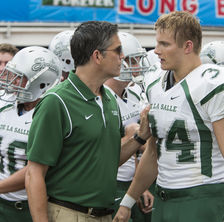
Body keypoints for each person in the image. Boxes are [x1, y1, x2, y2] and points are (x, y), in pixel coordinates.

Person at [113, 11, 224, 222]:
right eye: (157, 43)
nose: (156, 51)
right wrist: (127, 202)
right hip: (164, 199)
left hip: (202, 197)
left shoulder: (211, 84)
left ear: (187, 46)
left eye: (164, 44)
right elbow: (153, 153)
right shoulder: (155, 84)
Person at [25, 21, 151, 222]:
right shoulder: (56, 101)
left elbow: (108, 160)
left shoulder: (109, 99)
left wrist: (140, 137)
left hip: (105, 214)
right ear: (97, 56)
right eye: (117, 50)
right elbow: (34, 173)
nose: (123, 57)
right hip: (67, 213)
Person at [0, 46, 62, 222]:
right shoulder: (5, 103)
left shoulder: (52, 112)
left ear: (41, 83)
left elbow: (36, 170)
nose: (9, 80)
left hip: (31, 207)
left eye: (17, 76)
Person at [105, 31, 154, 222]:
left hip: (129, 181)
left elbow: (135, 151)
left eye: (137, 61)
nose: (137, 67)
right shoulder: (102, 97)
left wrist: (139, 185)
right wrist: (133, 137)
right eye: (132, 61)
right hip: (110, 181)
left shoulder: (132, 94)